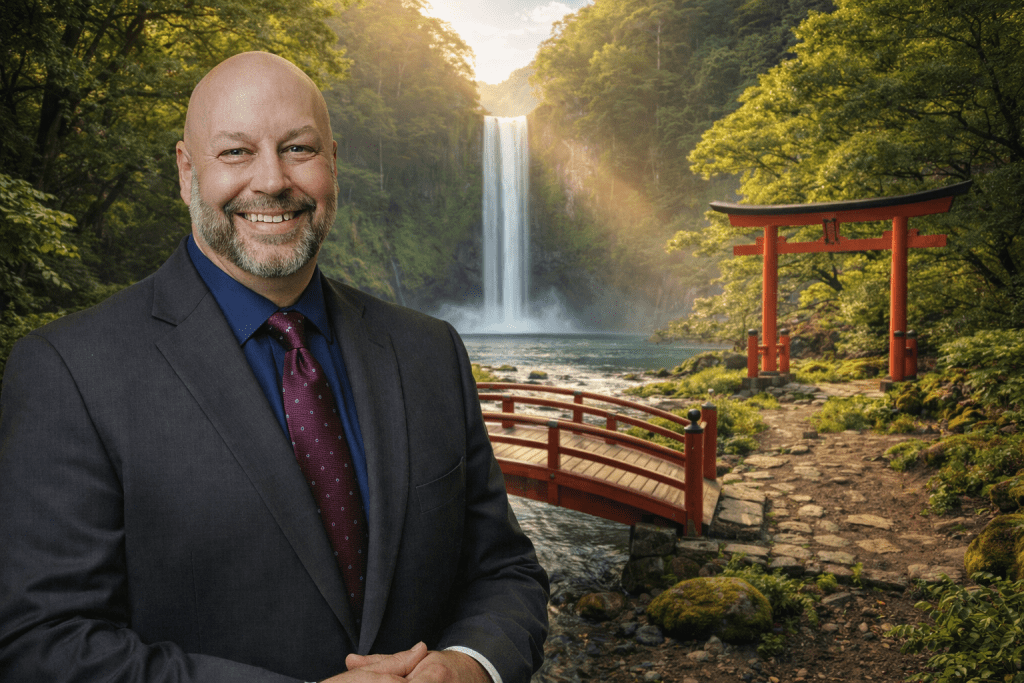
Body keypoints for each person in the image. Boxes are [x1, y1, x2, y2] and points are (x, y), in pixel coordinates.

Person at [0, 52, 548, 683]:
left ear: (332, 161)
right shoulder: (69, 371)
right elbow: (43, 642)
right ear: (187, 170)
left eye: (298, 148)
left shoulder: (428, 351)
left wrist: (468, 667)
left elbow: (504, 571)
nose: (272, 181)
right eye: (236, 152)